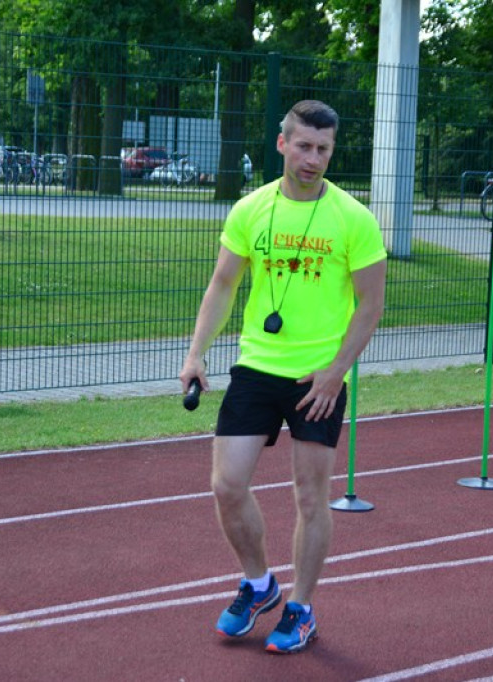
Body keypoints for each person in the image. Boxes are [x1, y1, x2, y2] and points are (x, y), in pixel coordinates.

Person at [178, 100, 387, 654]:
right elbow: (222, 284)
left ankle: (301, 607)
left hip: (318, 377)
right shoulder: (251, 209)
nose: (312, 158)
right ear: (282, 144)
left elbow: (371, 304)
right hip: (256, 367)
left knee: (311, 497)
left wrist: (336, 373)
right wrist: (196, 352)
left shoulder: (354, 219)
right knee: (227, 484)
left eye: (323, 149)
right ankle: (258, 583)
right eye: (303, 146)